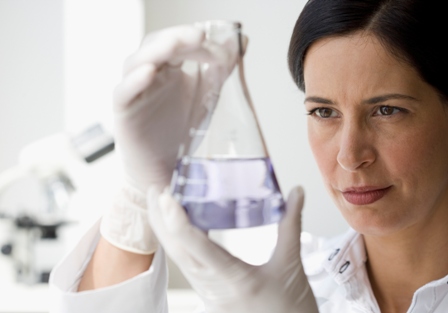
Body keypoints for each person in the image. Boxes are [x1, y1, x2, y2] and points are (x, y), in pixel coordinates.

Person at [49, 0, 448, 312]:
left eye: (387, 110)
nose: (349, 156)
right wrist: (138, 198)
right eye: (324, 112)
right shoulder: (272, 287)